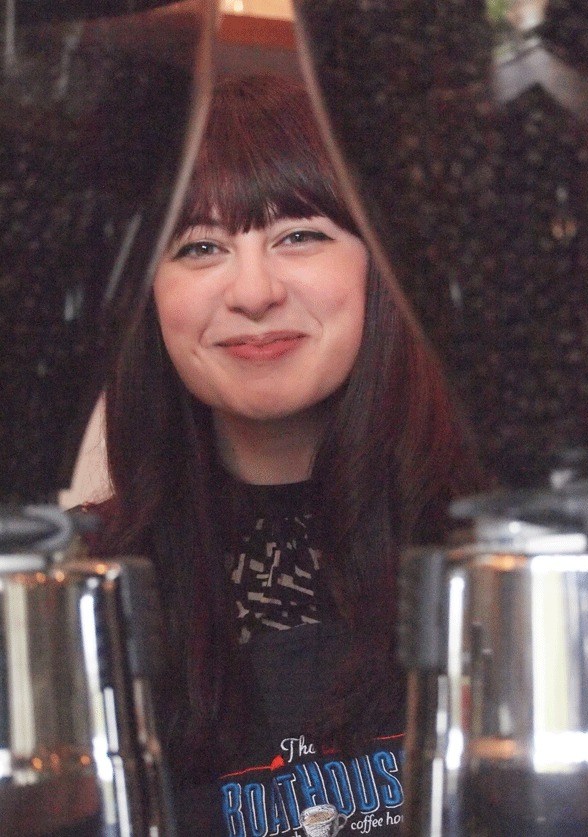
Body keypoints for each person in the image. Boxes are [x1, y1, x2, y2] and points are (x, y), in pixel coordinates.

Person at [91, 73, 483, 836]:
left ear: (381, 261)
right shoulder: (89, 584)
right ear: (146, 293)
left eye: (299, 234)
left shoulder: (498, 555)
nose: (254, 290)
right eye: (200, 246)